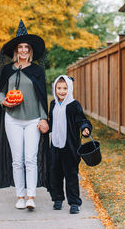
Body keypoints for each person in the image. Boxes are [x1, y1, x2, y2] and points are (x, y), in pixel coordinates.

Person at [0, 20, 50, 210]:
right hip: (12, 120)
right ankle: (20, 195)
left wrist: (44, 118)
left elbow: (43, 96)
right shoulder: (7, 70)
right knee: (17, 160)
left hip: (33, 119)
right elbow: (0, 91)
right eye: (21, 47)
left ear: (30, 50)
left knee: (30, 158)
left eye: (27, 47)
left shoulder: (37, 70)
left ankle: (31, 196)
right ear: (16, 50)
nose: (24, 50)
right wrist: (3, 101)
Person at [48, 75, 92, 214]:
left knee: (71, 175)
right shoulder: (53, 104)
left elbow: (81, 120)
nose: (62, 91)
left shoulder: (74, 105)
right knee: (55, 174)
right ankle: (58, 199)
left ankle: (74, 203)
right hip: (55, 146)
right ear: (55, 89)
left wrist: (85, 128)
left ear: (70, 89)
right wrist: (44, 125)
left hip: (70, 147)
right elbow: (51, 122)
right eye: (59, 88)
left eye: (65, 88)